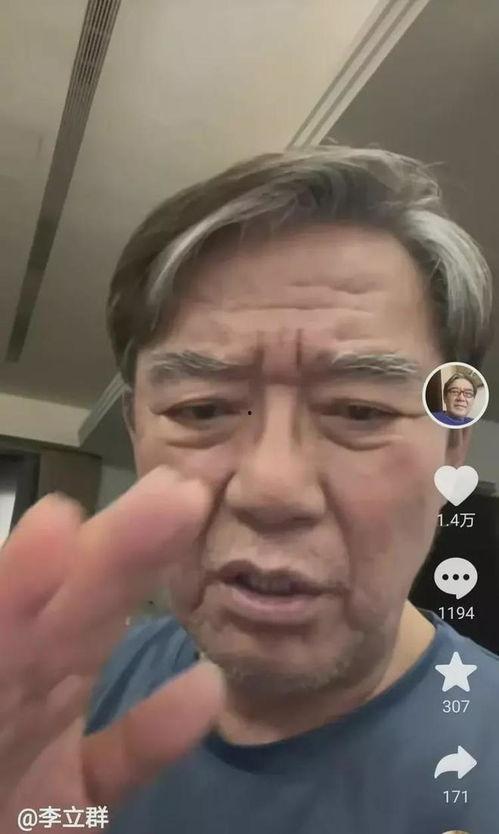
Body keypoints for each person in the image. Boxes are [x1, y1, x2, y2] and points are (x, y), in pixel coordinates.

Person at [1, 145, 498, 833]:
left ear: (452, 449)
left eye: (360, 411)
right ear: (136, 429)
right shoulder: (53, 707)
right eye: (201, 409)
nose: (271, 488)